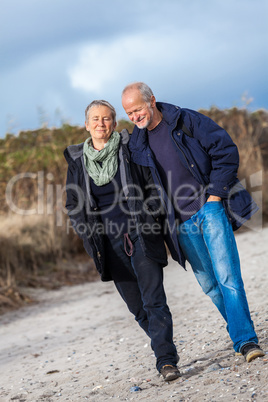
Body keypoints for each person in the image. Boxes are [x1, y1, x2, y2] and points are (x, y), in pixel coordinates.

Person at [122, 82, 265, 363]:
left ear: (152, 100)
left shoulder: (185, 120)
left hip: (209, 208)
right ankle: (239, 329)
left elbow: (225, 150)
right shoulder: (136, 144)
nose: (135, 117)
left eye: (137, 109)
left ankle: (246, 340)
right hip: (180, 225)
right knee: (210, 285)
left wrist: (215, 195)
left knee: (228, 277)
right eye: (129, 113)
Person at [63, 100, 181, 381]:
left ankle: (166, 361)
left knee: (154, 300)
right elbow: (72, 204)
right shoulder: (78, 161)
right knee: (138, 308)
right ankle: (163, 347)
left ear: (114, 123)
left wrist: (151, 215)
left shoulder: (129, 149)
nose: (101, 124)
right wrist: (86, 233)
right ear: (86, 124)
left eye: (106, 119)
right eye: (95, 119)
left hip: (141, 233)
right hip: (108, 245)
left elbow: (151, 184)